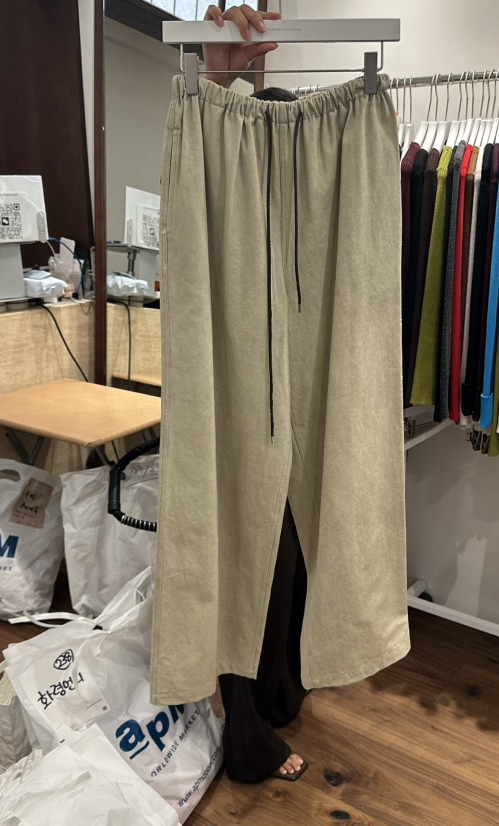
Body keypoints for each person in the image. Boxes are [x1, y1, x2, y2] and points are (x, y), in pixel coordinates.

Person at [201, 3, 309, 784]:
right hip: (238, 412)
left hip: (289, 410)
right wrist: (217, 82)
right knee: (247, 564)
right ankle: (248, 732)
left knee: (288, 562)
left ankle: (278, 694)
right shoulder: (225, 212)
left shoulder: (307, 221)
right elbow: (195, 163)